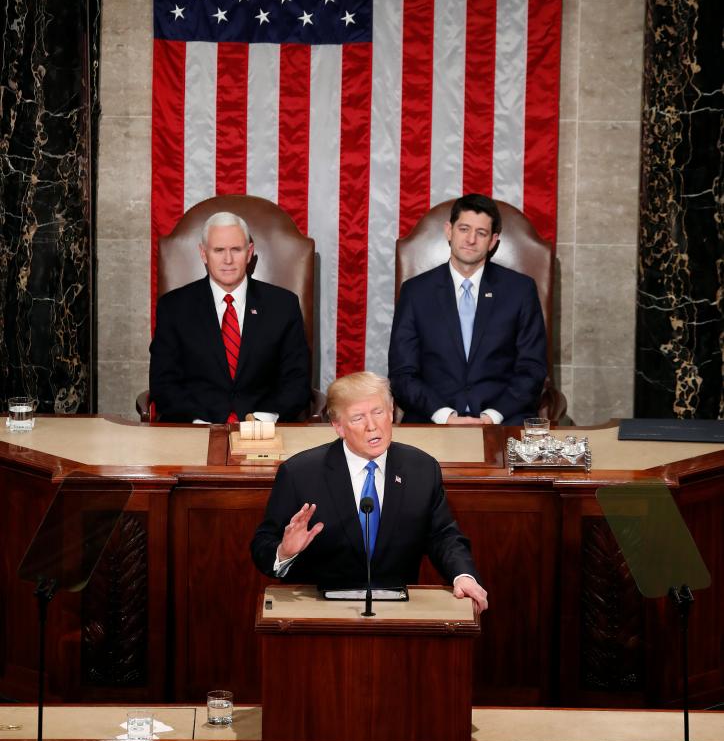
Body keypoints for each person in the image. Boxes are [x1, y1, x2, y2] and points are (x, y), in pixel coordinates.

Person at [250, 371, 488, 610]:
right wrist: (284, 551)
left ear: (392, 411)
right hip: (320, 614)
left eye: (378, 412)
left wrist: (463, 576)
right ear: (338, 426)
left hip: (398, 615)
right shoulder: (300, 474)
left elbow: (443, 537)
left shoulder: (422, 469)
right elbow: (263, 546)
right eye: (357, 418)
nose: (372, 426)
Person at [388, 194, 547, 426]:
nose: (471, 239)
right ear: (449, 231)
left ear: (493, 241)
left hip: (503, 420)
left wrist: (492, 416)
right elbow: (403, 374)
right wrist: (445, 416)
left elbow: (532, 368)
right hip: (432, 420)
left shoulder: (520, 290)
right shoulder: (416, 292)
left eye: (481, 233)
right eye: (464, 229)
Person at [149, 211, 311, 423]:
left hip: (264, 429)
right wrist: (197, 422)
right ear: (203, 254)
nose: (228, 260)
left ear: (249, 252)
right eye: (218, 250)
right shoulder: (174, 307)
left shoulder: (283, 305)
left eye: (236, 249)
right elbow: (163, 382)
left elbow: (296, 380)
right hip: (194, 429)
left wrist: (264, 420)